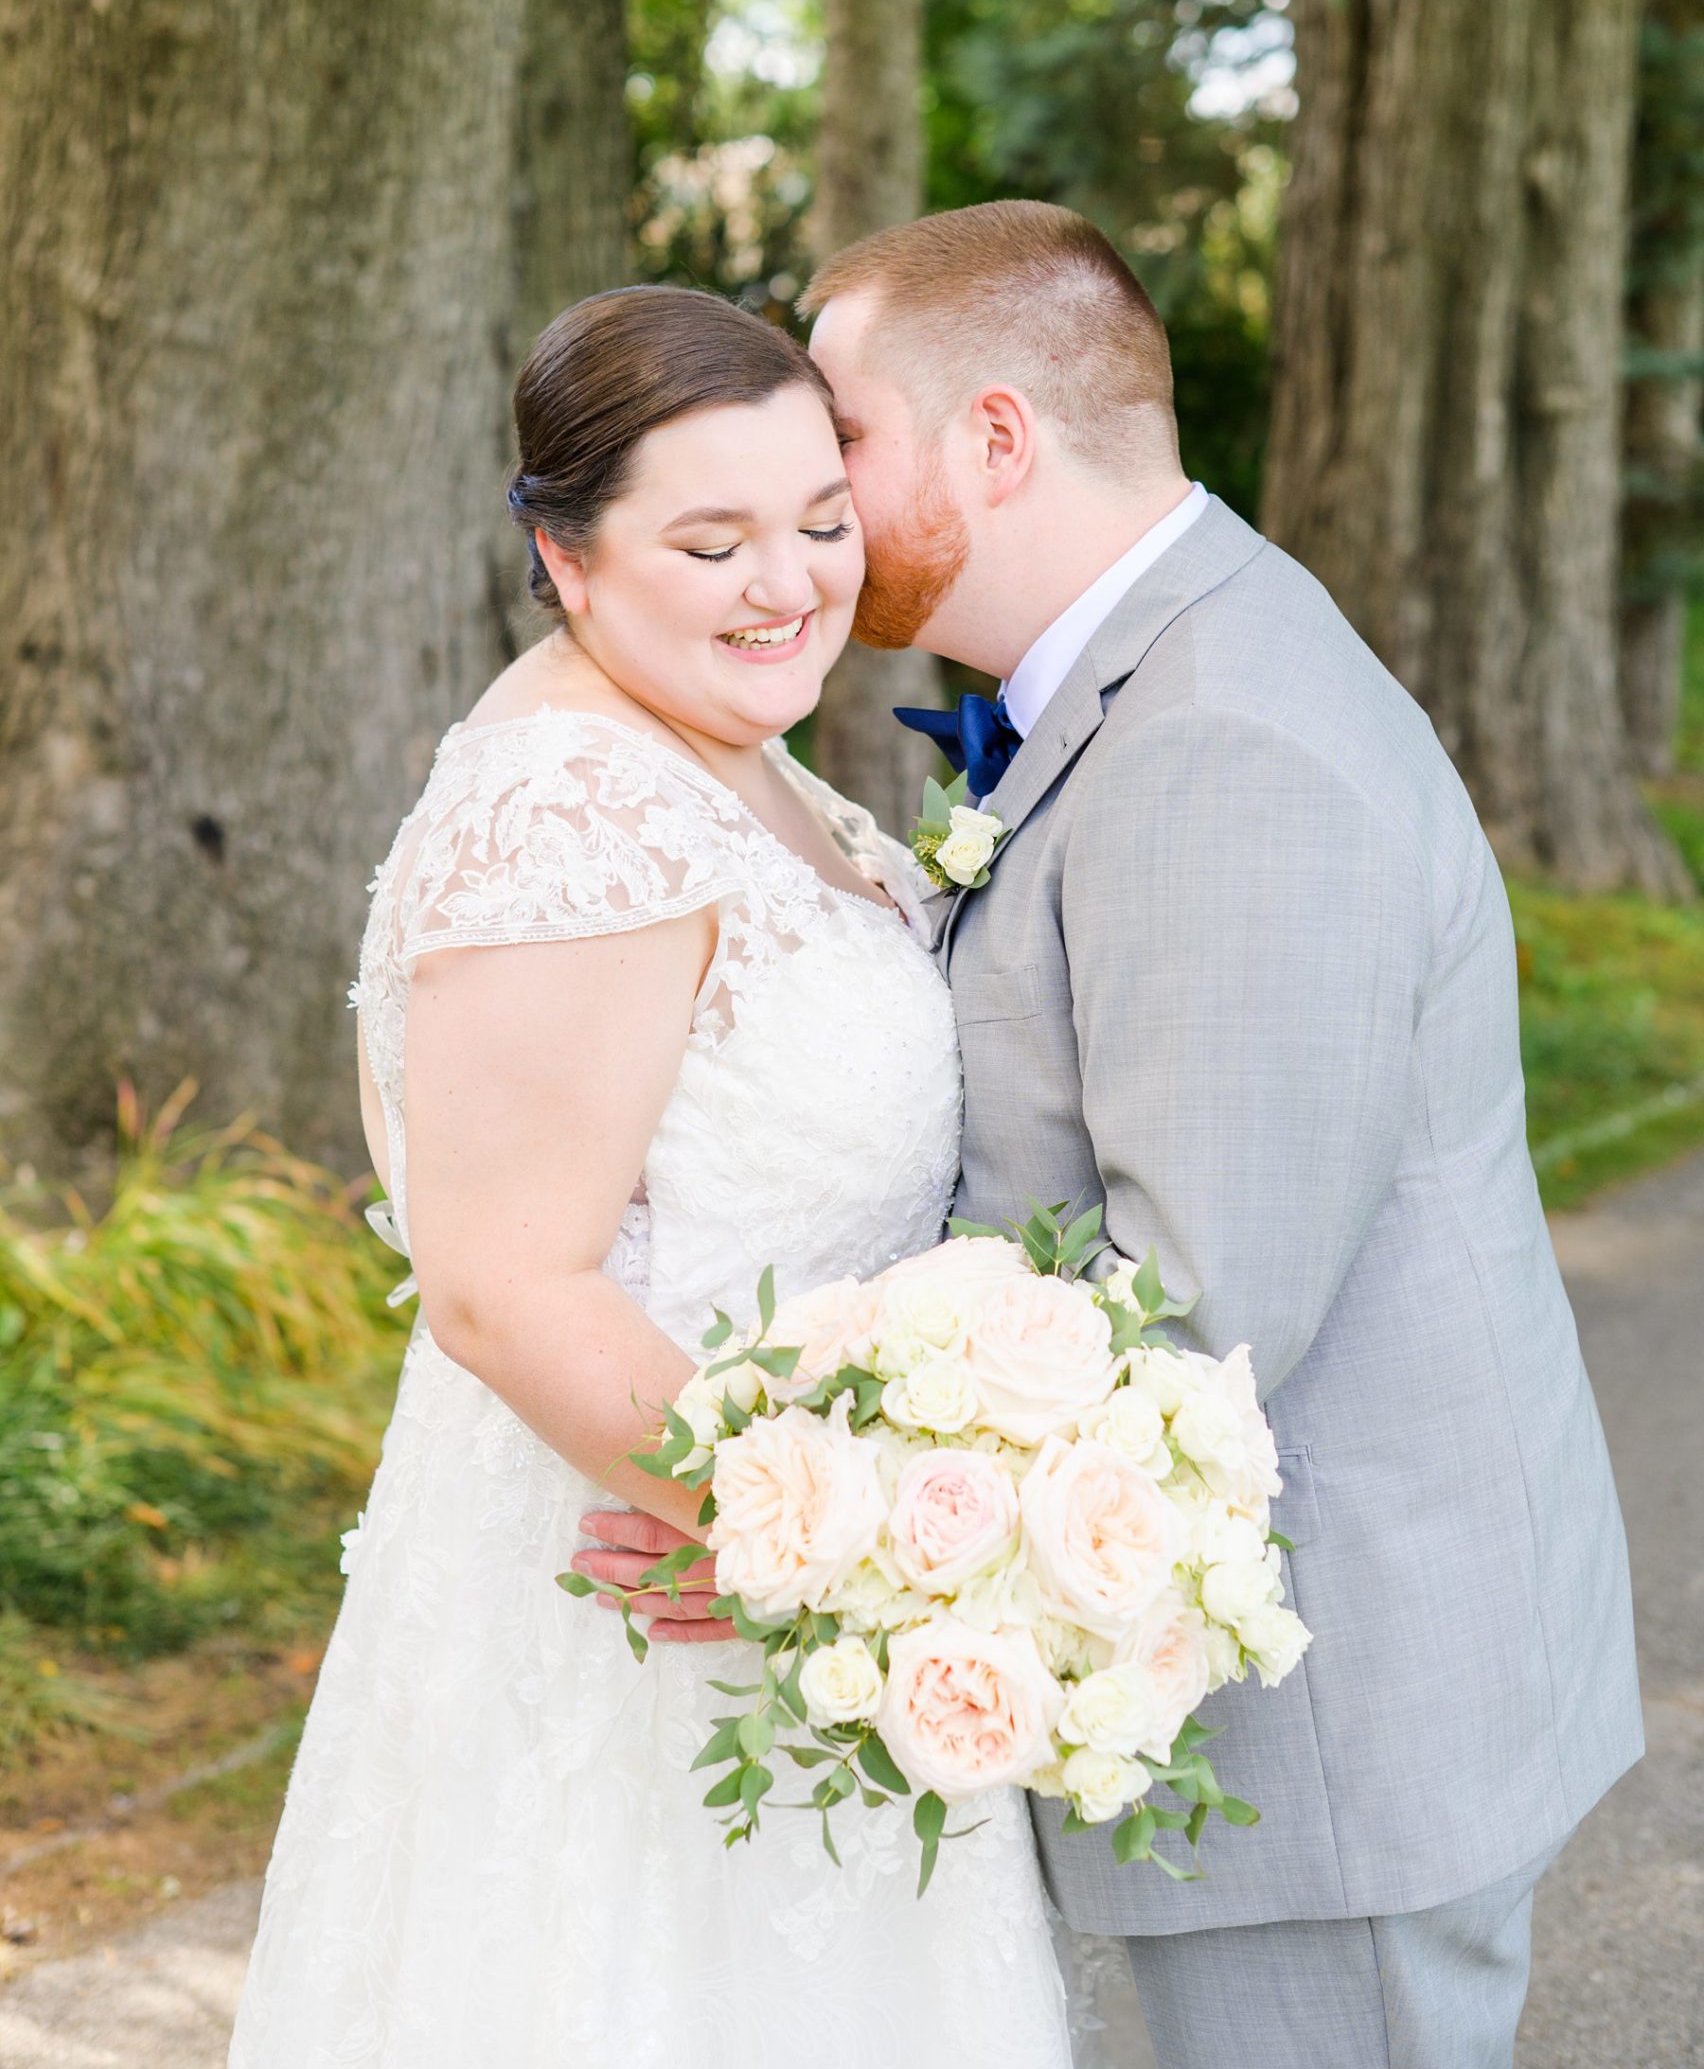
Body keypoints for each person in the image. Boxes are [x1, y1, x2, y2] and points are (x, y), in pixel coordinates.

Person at [590, 202, 1642, 2069]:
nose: (807, 489)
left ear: (996, 440)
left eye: (842, 437)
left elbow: (1190, 1309)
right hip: (1305, 1698)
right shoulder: (1153, 677)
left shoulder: (1224, 743)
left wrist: (802, 1525)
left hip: (1335, 1737)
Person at [227, 286, 1080, 2068]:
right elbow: (501, 1285)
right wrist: (811, 1548)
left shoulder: (729, 758)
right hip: (652, 1616)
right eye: (713, 541)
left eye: (823, 524)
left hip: (780, 1607)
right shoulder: (572, 810)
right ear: (567, 556)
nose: (792, 584)